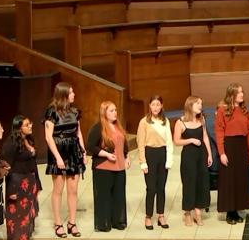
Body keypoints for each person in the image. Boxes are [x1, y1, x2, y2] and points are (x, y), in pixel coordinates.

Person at [44, 82, 86, 238]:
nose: (74, 94)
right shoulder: (52, 112)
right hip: (59, 151)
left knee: (73, 190)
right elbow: (48, 137)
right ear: (63, 95)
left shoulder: (75, 112)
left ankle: (72, 223)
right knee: (58, 190)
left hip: (73, 151)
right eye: (71, 92)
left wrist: (83, 151)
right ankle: (58, 223)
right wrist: (58, 158)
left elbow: (79, 133)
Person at [0, 115, 41, 240]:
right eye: (27, 125)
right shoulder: (11, 144)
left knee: (29, 214)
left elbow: (33, 164)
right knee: (18, 215)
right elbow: (7, 167)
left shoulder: (29, 140)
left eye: (30, 124)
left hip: (29, 181)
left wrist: (38, 184)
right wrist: (11, 190)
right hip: (17, 182)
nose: (30, 126)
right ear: (18, 128)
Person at [87, 101, 130, 232]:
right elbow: (91, 146)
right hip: (104, 166)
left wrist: (126, 157)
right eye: (111, 111)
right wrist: (106, 154)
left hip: (119, 166)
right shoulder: (98, 127)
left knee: (118, 194)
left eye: (115, 110)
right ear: (104, 113)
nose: (115, 113)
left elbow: (123, 144)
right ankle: (104, 223)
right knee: (104, 196)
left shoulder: (118, 126)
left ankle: (117, 221)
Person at [216, 83, 249, 224]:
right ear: (231, 94)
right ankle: (230, 212)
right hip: (229, 146)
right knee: (229, 180)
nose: (242, 94)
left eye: (242, 92)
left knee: (240, 179)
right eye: (239, 92)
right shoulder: (222, 110)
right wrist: (222, 153)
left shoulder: (245, 110)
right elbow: (219, 132)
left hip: (241, 146)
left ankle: (238, 210)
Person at [173, 96, 212, 226]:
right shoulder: (181, 122)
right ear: (190, 105)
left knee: (202, 183)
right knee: (190, 183)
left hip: (202, 155)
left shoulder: (202, 119)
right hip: (189, 157)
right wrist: (190, 140)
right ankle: (188, 213)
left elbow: (205, 137)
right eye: (197, 103)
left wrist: (209, 155)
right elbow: (176, 141)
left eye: (201, 103)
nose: (200, 105)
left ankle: (198, 212)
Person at [136, 95, 174, 230]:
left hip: (162, 155)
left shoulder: (166, 121)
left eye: (158, 105)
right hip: (150, 154)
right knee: (151, 188)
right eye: (153, 105)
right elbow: (140, 143)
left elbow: (169, 142)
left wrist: (169, 160)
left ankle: (161, 215)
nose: (156, 107)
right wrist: (143, 162)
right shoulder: (144, 122)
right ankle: (148, 216)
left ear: (162, 106)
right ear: (149, 106)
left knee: (161, 188)